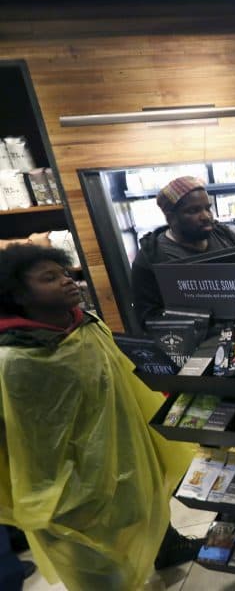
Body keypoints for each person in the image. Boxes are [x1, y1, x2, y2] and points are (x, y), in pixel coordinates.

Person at [0, 244, 192, 591]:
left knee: (134, 535)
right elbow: (26, 441)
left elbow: (125, 390)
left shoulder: (89, 327)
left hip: (121, 462)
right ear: (18, 295)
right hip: (64, 490)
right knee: (96, 571)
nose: (66, 281)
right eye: (49, 278)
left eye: (63, 273)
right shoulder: (15, 359)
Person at [130, 176, 235, 328]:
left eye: (207, 208)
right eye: (193, 210)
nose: (206, 216)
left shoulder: (225, 234)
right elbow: (148, 319)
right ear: (170, 218)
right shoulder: (150, 259)